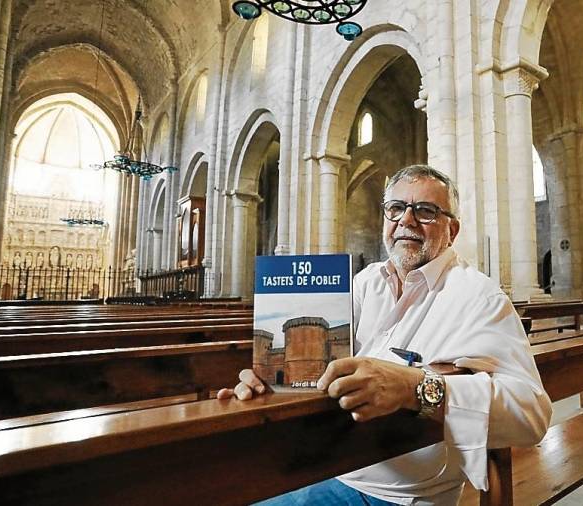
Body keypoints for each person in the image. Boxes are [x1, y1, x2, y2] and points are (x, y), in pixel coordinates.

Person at [218, 164, 552, 505]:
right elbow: (319, 371)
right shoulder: (364, 282)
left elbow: (531, 415)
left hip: (395, 495)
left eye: (425, 211)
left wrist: (414, 387)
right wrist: (269, 385)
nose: (406, 220)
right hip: (325, 466)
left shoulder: (479, 297)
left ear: (451, 229)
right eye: (395, 208)